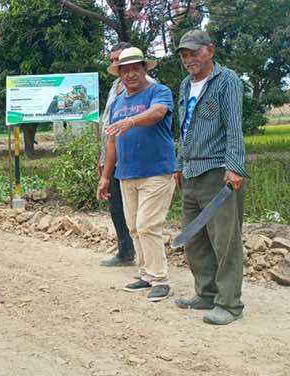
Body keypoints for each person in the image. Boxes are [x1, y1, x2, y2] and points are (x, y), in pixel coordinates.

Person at [174, 29, 247, 325]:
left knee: (225, 241)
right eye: (184, 55)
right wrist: (179, 164)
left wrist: (235, 167)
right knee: (194, 239)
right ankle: (206, 293)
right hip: (191, 171)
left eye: (194, 52)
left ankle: (229, 304)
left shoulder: (226, 80)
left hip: (218, 171)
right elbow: (184, 129)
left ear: (210, 51)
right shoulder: (185, 85)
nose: (189, 59)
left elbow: (234, 127)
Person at [97, 47, 176, 302]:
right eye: (125, 70)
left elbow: (158, 113)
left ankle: (160, 279)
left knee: (147, 225)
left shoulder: (158, 92)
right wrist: (106, 177)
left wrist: (131, 121)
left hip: (157, 171)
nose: (131, 74)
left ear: (144, 70)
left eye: (135, 69)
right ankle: (146, 274)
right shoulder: (118, 103)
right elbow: (112, 142)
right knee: (134, 227)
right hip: (127, 174)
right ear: (119, 74)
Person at [98, 41, 136, 267]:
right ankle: (125, 251)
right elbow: (108, 125)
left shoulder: (149, 87)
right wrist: (103, 158)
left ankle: (146, 260)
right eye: (112, 60)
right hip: (113, 156)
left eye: (118, 59)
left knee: (136, 209)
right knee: (116, 206)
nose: (114, 64)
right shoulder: (115, 86)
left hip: (132, 157)